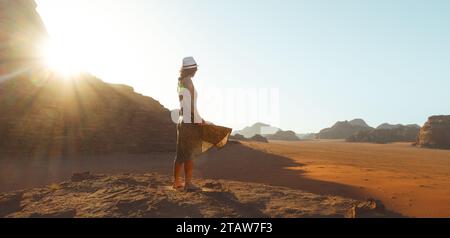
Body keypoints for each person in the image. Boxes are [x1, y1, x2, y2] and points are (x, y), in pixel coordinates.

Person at [174, 56, 232, 191]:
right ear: (193, 69)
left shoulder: (180, 82)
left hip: (182, 119)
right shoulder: (188, 81)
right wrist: (198, 118)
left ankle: (176, 182)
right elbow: (190, 104)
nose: (196, 71)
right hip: (189, 120)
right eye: (196, 69)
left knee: (180, 154)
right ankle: (188, 184)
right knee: (189, 154)